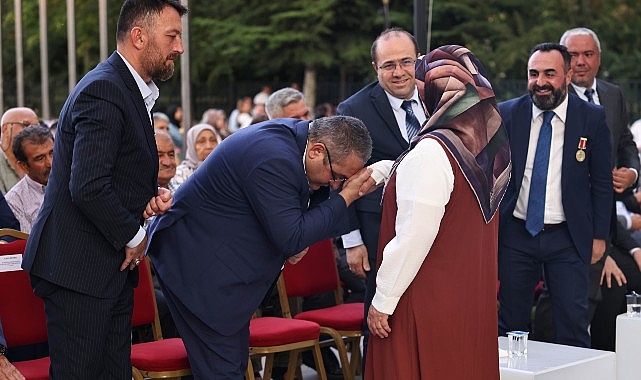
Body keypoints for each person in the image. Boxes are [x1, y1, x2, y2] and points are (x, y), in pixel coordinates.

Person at [20, 1, 187, 378]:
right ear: (139, 36)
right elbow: (88, 186)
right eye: (172, 36)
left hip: (101, 267)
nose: (179, 47)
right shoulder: (105, 89)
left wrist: (144, 200)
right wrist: (133, 236)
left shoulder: (123, 87)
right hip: (78, 270)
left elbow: (106, 177)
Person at [146, 115, 375, 379]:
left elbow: (295, 227)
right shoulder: (273, 156)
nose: (333, 185)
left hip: (223, 265)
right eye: (337, 177)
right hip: (198, 267)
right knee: (222, 370)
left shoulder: (298, 142)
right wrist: (346, 196)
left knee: (229, 364)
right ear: (316, 150)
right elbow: (291, 236)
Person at [366, 45, 510, 380]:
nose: (418, 90)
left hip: (426, 300)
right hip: (468, 299)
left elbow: (414, 237)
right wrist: (386, 170)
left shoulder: (432, 150)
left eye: (422, 83)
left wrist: (383, 300)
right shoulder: (487, 148)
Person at [497, 42, 612, 348]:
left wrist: (600, 236)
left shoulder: (592, 117)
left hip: (568, 238)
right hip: (516, 235)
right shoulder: (507, 114)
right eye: (533, 74)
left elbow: (602, 183)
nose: (541, 82)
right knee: (511, 324)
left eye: (550, 73)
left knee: (573, 323)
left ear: (568, 76)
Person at [533, 26, 641, 345]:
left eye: (587, 54)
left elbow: (625, 145)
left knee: (623, 284)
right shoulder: (551, 101)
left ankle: (607, 363)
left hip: (607, 222)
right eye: (573, 55)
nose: (580, 61)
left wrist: (632, 174)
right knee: (585, 294)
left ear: (598, 59)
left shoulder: (612, 94)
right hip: (567, 227)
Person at [336, 27, 425, 368]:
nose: (399, 71)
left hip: (436, 225)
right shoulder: (353, 108)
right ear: (375, 68)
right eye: (389, 65)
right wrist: (352, 240)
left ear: (419, 61)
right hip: (379, 229)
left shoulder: (441, 98)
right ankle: (377, 372)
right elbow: (341, 182)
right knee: (381, 310)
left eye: (406, 61)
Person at [4, 125, 53, 233]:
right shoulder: (15, 201)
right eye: (40, 158)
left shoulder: (74, 183)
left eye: (52, 153)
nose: (50, 163)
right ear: (23, 166)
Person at [169, 123, 221, 190]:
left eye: (213, 140)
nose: (209, 146)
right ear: (192, 145)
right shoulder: (180, 173)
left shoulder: (224, 170)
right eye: (202, 141)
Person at [0, 108, 39, 194]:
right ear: (5, 129)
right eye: (26, 125)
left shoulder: (40, 161)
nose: (33, 132)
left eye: (36, 127)